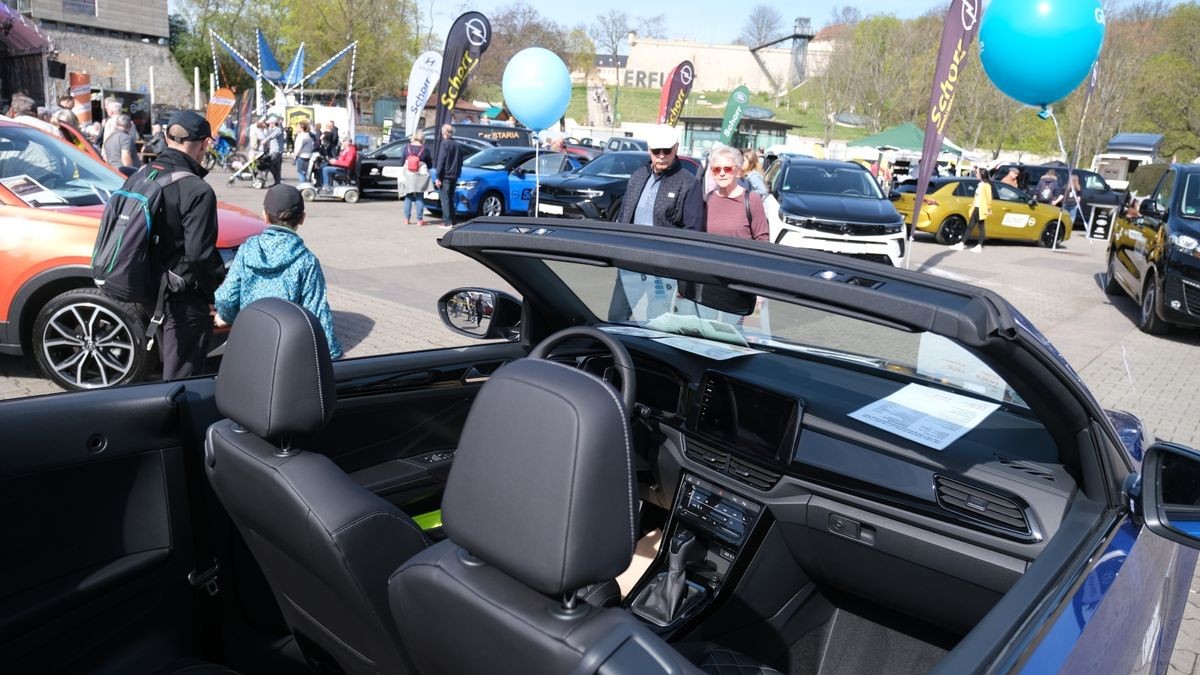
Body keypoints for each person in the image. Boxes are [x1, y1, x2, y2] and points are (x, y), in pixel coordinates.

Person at [214, 184, 344, 359]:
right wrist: (333, 355)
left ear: (265, 216)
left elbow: (226, 296)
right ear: (302, 219)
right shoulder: (307, 261)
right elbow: (318, 314)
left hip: (247, 341)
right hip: (287, 350)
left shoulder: (247, 250)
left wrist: (227, 317)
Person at [151, 110, 226, 379]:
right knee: (183, 375)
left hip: (150, 290)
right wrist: (217, 294)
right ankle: (178, 420)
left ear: (166, 136)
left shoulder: (144, 174)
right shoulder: (197, 189)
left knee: (168, 366)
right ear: (205, 143)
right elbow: (199, 255)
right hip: (184, 297)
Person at [609, 124, 703, 321]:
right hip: (630, 262)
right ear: (649, 150)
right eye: (656, 151)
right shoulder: (638, 176)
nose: (661, 155)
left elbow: (692, 231)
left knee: (657, 322)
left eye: (666, 150)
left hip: (662, 268)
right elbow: (624, 214)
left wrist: (682, 273)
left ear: (676, 149)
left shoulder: (688, 183)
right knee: (616, 317)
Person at [706, 145, 768, 241]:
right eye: (717, 169)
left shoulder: (752, 200)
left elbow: (762, 239)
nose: (722, 173)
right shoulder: (706, 200)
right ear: (712, 173)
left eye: (727, 169)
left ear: (738, 172)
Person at [953, 167, 992, 253]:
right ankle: (962, 243)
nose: (976, 174)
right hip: (976, 207)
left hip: (981, 208)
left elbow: (989, 198)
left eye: (977, 173)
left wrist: (989, 208)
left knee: (981, 227)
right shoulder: (980, 184)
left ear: (982, 174)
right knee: (970, 226)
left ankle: (979, 245)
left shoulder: (986, 185)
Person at [434, 124, 464, 229]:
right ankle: (453, 220)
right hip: (454, 175)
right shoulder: (457, 145)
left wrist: (438, 176)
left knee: (445, 199)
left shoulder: (445, 144)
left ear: (444, 133)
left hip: (446, 175)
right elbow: (461, 161)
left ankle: (447, 222)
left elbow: (441, 160)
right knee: (450, 198)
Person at [400, 130, 433, 225]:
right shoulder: (424, 149)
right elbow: (430, 164)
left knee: (408, 197)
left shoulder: (407, 147)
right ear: (422, 138)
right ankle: (419, 220)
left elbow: (402, 162)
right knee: (419, 197)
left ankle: (407, 219)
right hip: (421, 175)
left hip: (409, 174)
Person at [262, 117, 284, 186]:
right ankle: (277, 182)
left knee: (270, 165)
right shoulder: (273, 130)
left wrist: (266, 140)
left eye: (270, 123)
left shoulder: (278, 130)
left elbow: (272, 136)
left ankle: (276, 181)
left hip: (276, 152)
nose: (269, 125)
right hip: (274, 151)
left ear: (273, 123)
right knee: (276, 168)